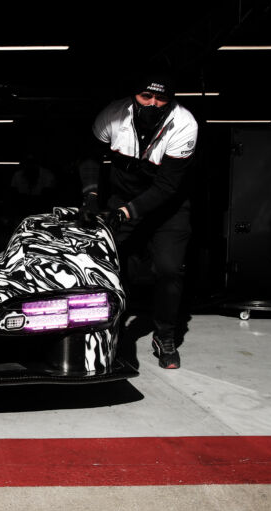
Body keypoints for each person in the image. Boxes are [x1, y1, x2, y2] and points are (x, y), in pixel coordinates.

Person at [78, 74, 198, 369]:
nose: (153, 104)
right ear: (135, 95)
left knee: (169, 270)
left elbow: (167, 187)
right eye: (146, 97)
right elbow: (89, 157)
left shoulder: (185, 124)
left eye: (161, 99)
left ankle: (165, 336)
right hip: (123, 196)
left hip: (169, 206)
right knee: (102, 263)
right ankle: (104, 329)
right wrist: (91, 196)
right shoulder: (113, 115)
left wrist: (127, 212)